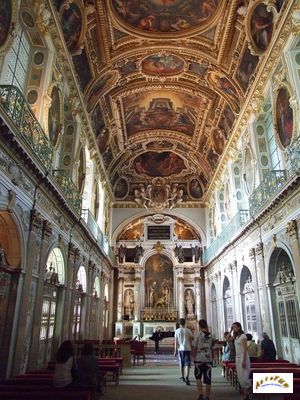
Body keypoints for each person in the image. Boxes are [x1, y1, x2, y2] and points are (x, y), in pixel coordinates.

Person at [192, 319, 214, 400]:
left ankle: (200, 394)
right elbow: (212, 348)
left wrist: (193, 357)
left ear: (200, 326)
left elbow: (194, 347)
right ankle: (207, 396)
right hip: (208, 359)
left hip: (199, 359)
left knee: (198, 377)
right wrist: (212, 357)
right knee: (208, 378)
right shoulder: (211, 335)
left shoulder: (198, 335)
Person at [231, 322, 251, 400]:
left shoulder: (243, 336)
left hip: (243, 357)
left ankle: (249, 394)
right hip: (237, 358)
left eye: (235, 327)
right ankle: (247, 395)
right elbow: (227, 339)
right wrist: (230, 330)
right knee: (240, 377)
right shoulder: (236, 337)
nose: (234, 329)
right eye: (233, 327)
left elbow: (245, 349)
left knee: (244, 377)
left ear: (239, 327)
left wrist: (244, 360)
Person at [174, 318, 193, 385]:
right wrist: (192, 348)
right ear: (185, 323)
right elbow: (191, 340)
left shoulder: (177, 331)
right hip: (187, 348)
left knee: (181, 363)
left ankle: (182, 377)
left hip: (180, 349)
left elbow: (176, 342)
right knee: (187, 363)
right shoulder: (188, 330)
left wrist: (175, 350)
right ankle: (187, 376)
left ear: (179, 324)